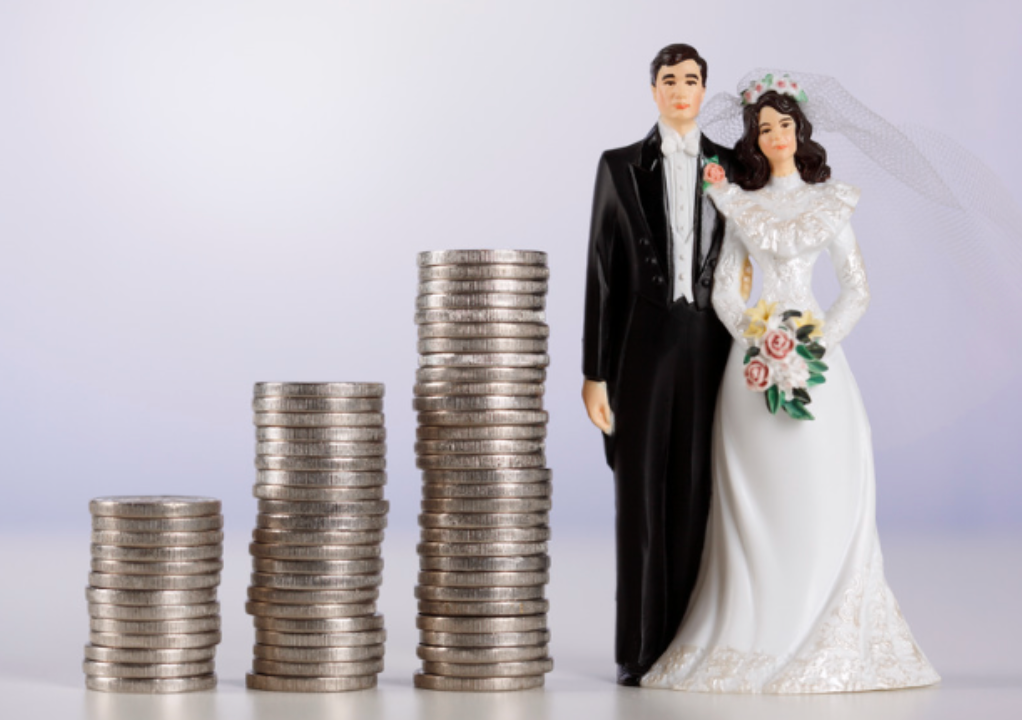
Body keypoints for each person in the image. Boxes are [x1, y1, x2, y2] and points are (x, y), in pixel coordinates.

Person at [641, 75, 941, 693]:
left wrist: (813, 343)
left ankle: (823, 621)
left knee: (820, 484)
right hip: (752, 368)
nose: (775, 136)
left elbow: (856, 289)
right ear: (754, 140)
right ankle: (756, 627)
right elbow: (727, 286)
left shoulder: (832, 203)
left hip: (815, 367)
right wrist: (756, 339)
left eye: (784, 126)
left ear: (800, 133)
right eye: (763, 128)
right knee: (759, 496)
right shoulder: (741, 205)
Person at [581, 44, 749, 685]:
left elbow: (749, 248)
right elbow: (601, 271)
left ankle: (687, 644)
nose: (682, 90)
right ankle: (637, 647)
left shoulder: (734, 166)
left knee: (697, 488)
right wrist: (595, 370)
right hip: (642, 343)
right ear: (652, 89)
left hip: (712, 342)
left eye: (693, 80)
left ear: (705, 91)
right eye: (669, 79)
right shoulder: (619, 166)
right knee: (638, 491)